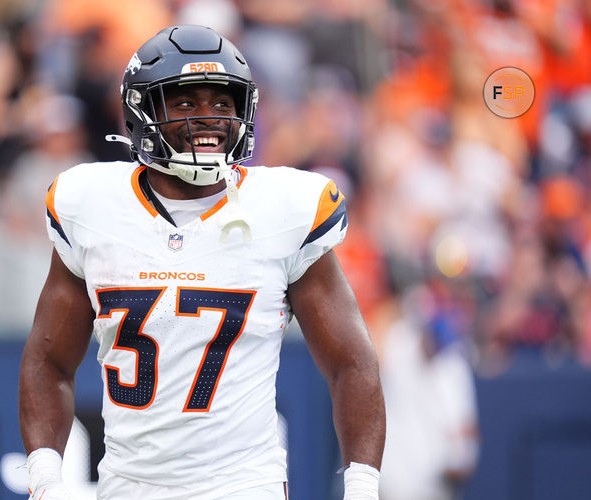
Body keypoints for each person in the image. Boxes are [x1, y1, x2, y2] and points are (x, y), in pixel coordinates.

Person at [19, 25, 385, 500]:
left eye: (222, 103)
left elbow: (352, 363)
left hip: (241, 486)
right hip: (127, 487)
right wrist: (46, 478)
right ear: (141, 111)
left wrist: (362, 486)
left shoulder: (284, 209)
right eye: (187, 103)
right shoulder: (91, 204)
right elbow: (48, 359)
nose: (209, 118)